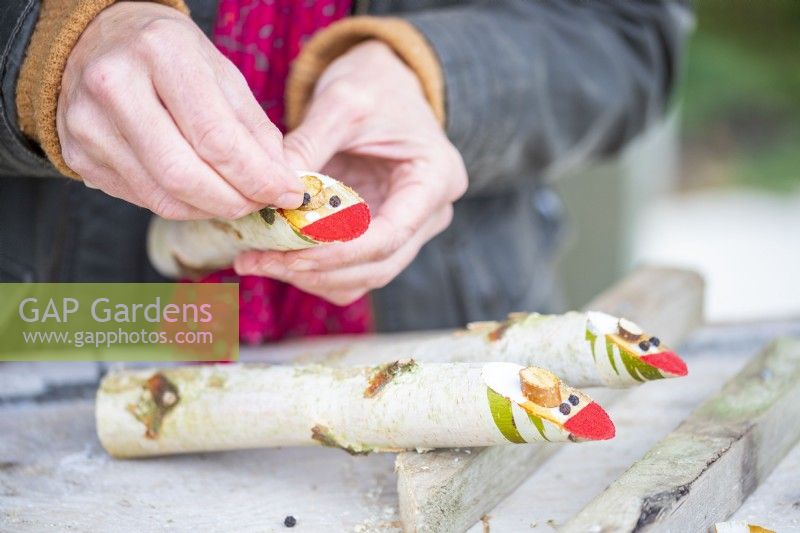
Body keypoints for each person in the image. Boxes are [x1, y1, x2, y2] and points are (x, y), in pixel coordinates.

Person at [0, 0, 691, 339]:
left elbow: (625, 31)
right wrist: (41, 52)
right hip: (59, 320)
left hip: (435, 338)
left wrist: (434, 75)